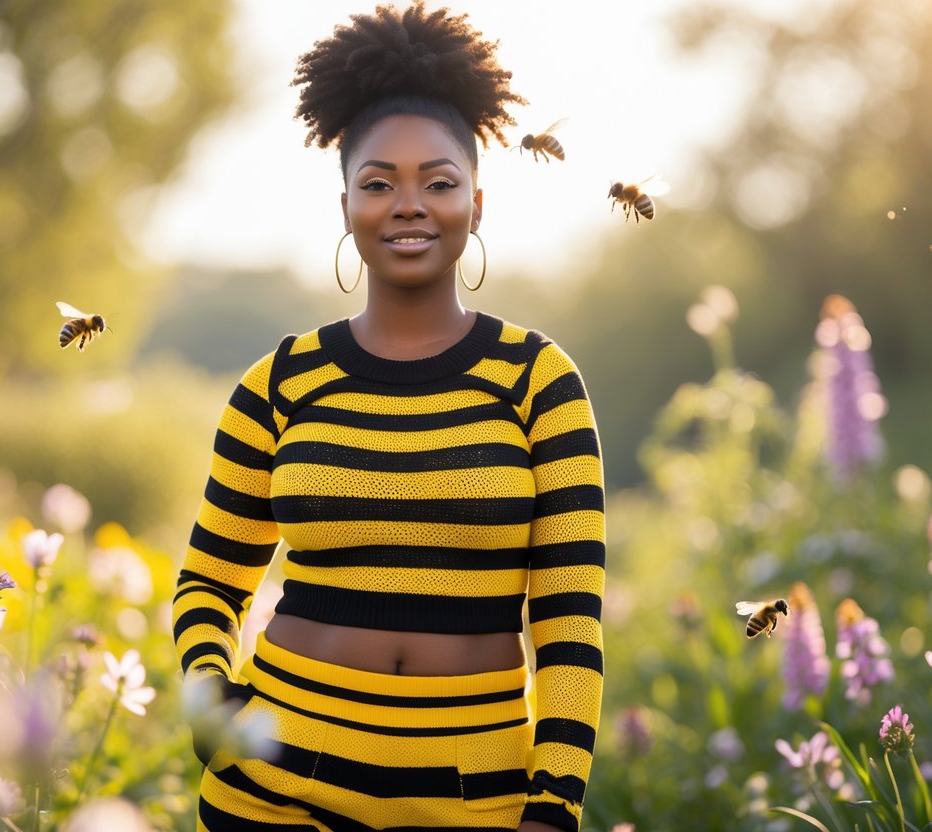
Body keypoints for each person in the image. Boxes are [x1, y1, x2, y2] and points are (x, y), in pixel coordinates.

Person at [172, 4, 605, 831]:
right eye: (379, 183)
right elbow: (209, 581)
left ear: (477, 203)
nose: (408, 204)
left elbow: (568, 624)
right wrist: (206, 690)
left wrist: (554, 802)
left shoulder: (538, 383)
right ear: (345, 206)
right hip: (272, 788)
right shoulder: (279, 382)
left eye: (437, 183)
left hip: (473, 799)